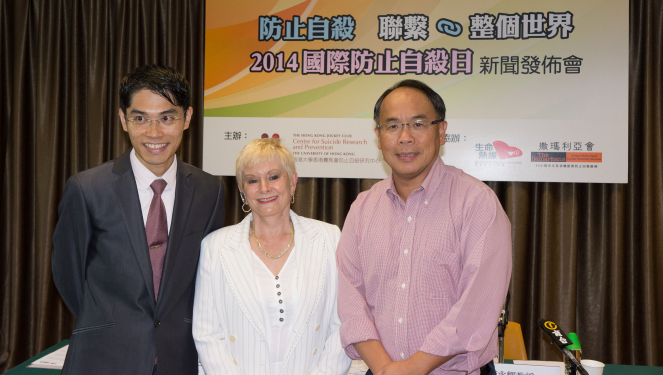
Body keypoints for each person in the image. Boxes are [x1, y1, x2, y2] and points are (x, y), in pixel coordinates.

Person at [51, 64, 225, 375]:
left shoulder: (209, 190)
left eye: (167, 118)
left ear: (187, 118)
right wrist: (110, 321)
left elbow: (209, 276)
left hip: (178, 358)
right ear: (123, 119)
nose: (154, 132)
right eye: (140, 118)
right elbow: (68, 274)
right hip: (102, 357)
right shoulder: (88, 188)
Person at [336, 80, 512, 375]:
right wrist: (384, 369)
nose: (405, 138)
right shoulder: (362, 209)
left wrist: (412, 368)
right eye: (392, 126)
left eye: (418, 124)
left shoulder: (477, 203)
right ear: (379, 137)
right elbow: (351, 300)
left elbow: (477, 305)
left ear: (441, 131)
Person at [193, 138, 351, 375]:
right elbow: (207, 334)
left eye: (274, 176)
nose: (264, 187)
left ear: (293, 181)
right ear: (242, 189)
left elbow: (343, 325)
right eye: (253, 180)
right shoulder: (215, 247)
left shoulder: (330, 238)